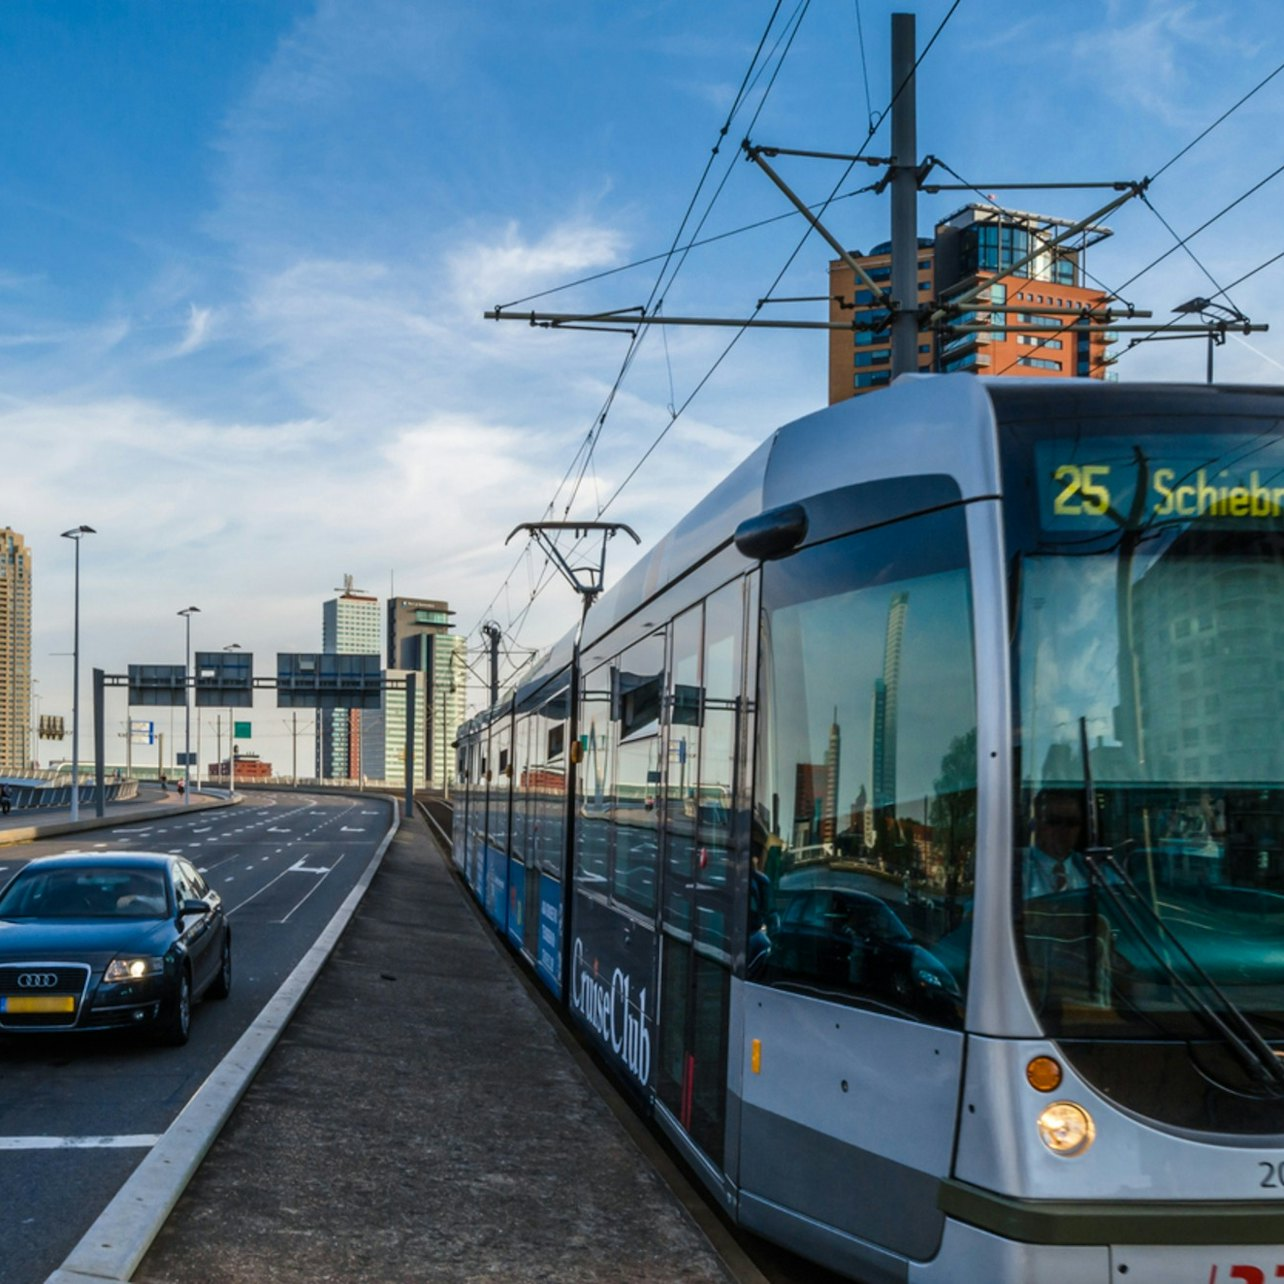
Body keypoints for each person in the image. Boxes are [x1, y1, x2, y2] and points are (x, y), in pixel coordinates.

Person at [1023, 788, 1088, 898]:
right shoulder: (1014, 870)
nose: (1063, 829)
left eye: (1072, 823)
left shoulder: (1096, 871)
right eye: (1054, 821)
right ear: (1035, 825)